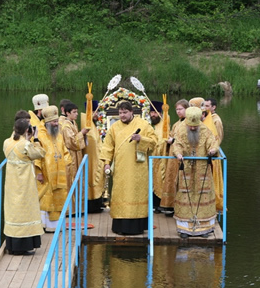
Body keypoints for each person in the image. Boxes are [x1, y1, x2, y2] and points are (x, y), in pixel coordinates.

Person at [100, 101, 158, 235]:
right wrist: (107, 163)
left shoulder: (143, 125)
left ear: (132, 112)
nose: (122, 115)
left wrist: (141, 138)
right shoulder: (114, 127)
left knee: (136, 194)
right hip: (121, 168)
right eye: (120, 113)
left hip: (138, 168)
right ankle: (120, 226)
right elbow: (108, 146)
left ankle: (138, 226)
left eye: (125, 112)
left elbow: (155, 141)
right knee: (121, 194)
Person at [172, 107, 219, 238]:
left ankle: (205, 229)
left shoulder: (205, 130)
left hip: (202, 169)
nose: (192, 128)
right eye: (190, 126)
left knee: (203, 195)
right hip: (186, 168)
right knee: (184, 195)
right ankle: (184, 229)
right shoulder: (181, 129)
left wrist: (212, 150)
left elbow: (213, 142)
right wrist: (179, 153)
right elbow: (177, 144)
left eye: (195, 126)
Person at [2, 116, 46, 255]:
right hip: (24, 183)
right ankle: (24, 246)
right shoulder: (25, 145)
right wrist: (36, 138)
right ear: (27, 130)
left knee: (13, 211)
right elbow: (40, 153)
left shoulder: (6, 142)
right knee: (26, 211)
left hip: (11, 183)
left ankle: (12, 244)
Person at [35, 105, 72, 232]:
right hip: (46, 174)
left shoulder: (59, 135)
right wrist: (38, 172)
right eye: (54, 122)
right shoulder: (40, 135)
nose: (56, 124)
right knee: (47, 198)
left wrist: (67, 163)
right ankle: (44, 225)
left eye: (57, 121)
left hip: (59, 173)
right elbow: (36, 154)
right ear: (47, 122)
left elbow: (65, 151)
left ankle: (55, 226)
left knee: (58, 197)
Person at [159, 99, 189, 216]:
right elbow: (171, 135)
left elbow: (187, 140)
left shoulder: (189, 123)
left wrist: (174, 140)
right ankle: (170, 204)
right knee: (171, 179)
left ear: (187, 109)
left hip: (182, 156)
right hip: (172, 155)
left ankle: (180, 205)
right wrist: (168, 140)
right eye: (177, 109)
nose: (178, 112)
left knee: (180, 180)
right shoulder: (177, 124)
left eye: (181, 109)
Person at [81, 102, 105, 213]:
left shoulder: (93, 124)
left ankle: (97, 203)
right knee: (91, 178)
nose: (98, 115)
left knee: (96, 178)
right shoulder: (86, 123)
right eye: (97, 112)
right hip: (90, 159)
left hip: (96, 158)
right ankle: (91, 205)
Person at [61, 102, 89, 183]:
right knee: (72, 176)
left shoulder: (73, 123)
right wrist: (82, 133)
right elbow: (71, 142)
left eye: (77, 112)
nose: (76, 114)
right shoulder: (66, 126)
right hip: (71, 155)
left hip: (77, 154)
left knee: (79, 174)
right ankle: (73, 195)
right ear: (67, 113)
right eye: (74, 112)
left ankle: (79, 195)